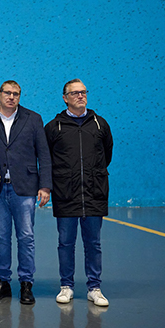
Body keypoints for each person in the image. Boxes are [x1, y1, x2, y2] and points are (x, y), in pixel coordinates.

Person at [0, 81, 52, 305]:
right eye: (7, 93)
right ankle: (2, 282)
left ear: (20, 96)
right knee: (0, 236)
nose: (11, 97)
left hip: (26, 186)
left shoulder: (33, 118)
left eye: (16, 94)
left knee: (26, 237)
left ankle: (26, 283)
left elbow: (44, 154)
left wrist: (45, 186)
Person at [45, 79, 113, 307]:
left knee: (93, 243)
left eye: (83, 92)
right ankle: (66, 287)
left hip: (94, 193)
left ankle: (95, 288)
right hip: (66, 194)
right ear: (65, 97)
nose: (80, 96)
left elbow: (107, 156)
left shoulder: (100, 124)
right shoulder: (54, 127)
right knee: (65, 242)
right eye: (74, 93)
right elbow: (46, 159)